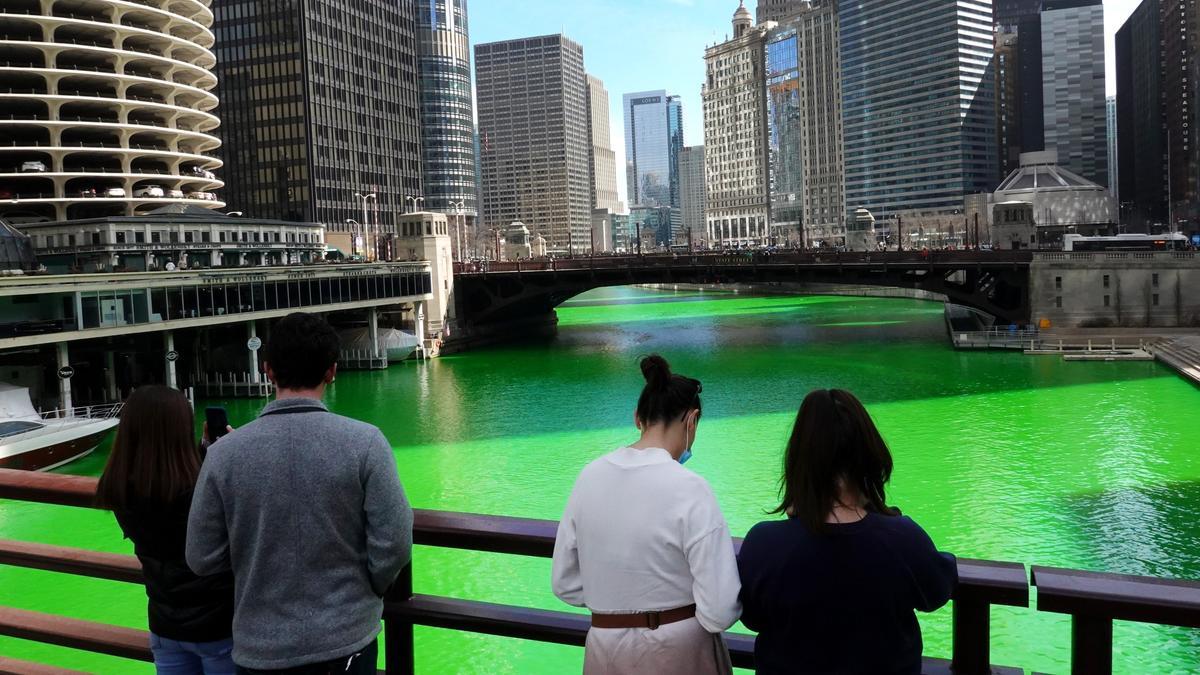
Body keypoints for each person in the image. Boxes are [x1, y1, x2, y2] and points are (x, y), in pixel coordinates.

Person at [186, 312, 413, 674]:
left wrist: (258, 561)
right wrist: (369, 586)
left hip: (259, 647)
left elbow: (201, 557)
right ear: (332, 371)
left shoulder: (223, 455)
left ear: (268, 370)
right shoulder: (366, 443)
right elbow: (395, 542)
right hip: (346, 639)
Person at [736, 389, 957, 674]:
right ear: (871, 457)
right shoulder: (901, 538)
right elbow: (937, 589)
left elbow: (753, 617)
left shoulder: (764, 543)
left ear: (799, 461)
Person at [551, 355, 741, 675]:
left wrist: (618, 605)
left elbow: (564, 583)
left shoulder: (590, 476)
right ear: (691, 420)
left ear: (637, 417)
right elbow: (720, 610)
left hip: (605, 650)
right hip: (679, 653)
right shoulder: (690, 487)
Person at [96, 385, 235, 675]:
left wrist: (206, 452)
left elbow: (166, 483)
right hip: (220, 627)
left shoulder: (120, 488)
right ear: (181, 430)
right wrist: (226, 456)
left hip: (164, 625)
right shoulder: (202, 491)